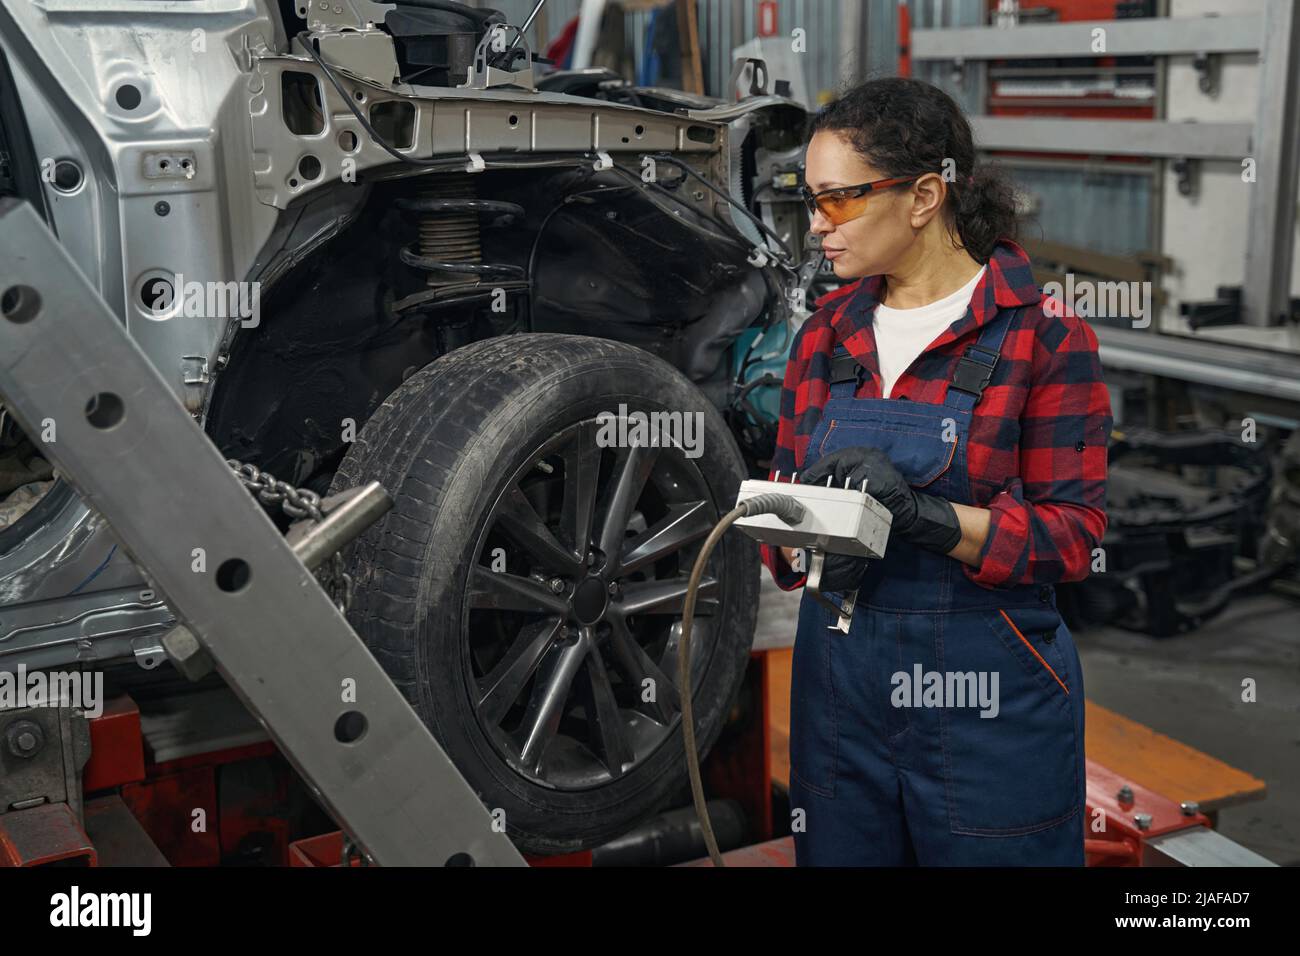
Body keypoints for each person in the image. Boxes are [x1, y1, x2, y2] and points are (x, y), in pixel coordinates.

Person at [764, 77, 1113, 865]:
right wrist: (782, 528)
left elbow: (1074, 538)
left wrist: (927, 518)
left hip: (985, 702)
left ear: (924, 195)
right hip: (840, 690)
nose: (817, 226)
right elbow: (788, 506)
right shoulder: (824, 336)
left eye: (839, 201)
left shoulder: (1044, 339)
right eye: (809, 202)